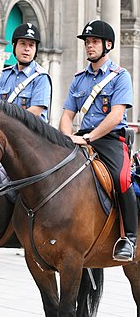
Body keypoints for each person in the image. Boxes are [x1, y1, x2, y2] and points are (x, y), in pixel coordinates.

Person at [59, 19, 138, 262]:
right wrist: (66, 138)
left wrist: (90, 137)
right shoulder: (79, 79)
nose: (89, 46)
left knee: (122, 179)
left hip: (110, 140)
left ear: (108, 45)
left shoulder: (120, 76)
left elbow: (116, 115)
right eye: (87, 42)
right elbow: (67, 115)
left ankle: (130, 238)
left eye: (94, 42)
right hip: (81, 138)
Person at [0, 23, 52, 123]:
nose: (27, 49)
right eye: (22, 43)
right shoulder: (6, 74)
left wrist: (9, 121)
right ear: (14, 46)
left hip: (33, 133)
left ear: (35, 49)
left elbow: (36, 111)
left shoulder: (41, 77)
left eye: (31, 45)